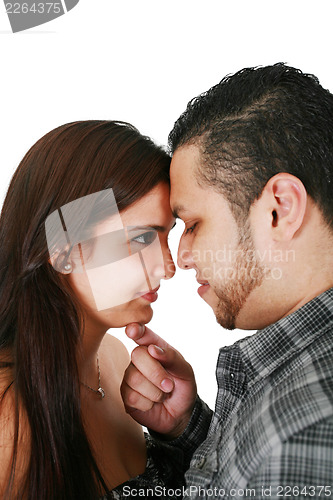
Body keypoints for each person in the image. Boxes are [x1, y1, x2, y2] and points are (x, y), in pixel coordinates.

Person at [121, 64, 333, 499]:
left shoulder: (301, 439)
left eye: (193, 224)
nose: (177, 258)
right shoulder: (290, 391)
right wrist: (190, 428)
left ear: (280, 209)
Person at [0, 120, 181, 499]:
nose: (168, 267)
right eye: (143, 238)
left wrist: (181, 430)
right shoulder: (9, 415)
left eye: (168, 235)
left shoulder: (116, 361)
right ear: (64, 248)